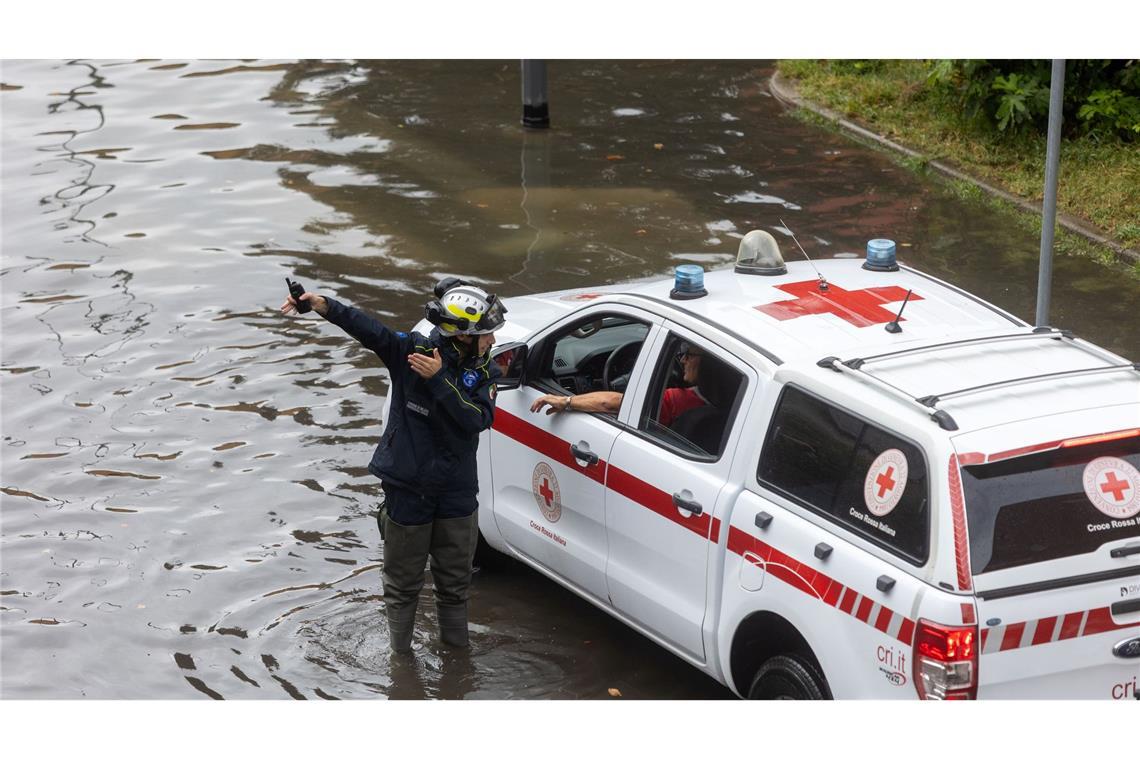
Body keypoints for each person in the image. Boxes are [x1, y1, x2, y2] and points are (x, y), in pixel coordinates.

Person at [280, 278, 504, 653]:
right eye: (487, 334)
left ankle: (456, 661)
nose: (493, 341)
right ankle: (401, 666)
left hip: (457, 492)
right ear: (463, 335)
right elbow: (369, 329)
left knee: (455, 584)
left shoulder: (485, 373)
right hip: (408, 488)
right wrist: (322, 304)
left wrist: (438, 381)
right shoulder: (410, 352)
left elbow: (475, 420)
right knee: (402, 585)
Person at [530, 343, 707, 425]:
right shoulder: (729, 400)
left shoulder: (681, 401)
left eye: (689, 354)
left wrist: (565, 401)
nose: (683, 360)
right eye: (682, 354)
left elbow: (611, 403)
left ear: (709, 363)